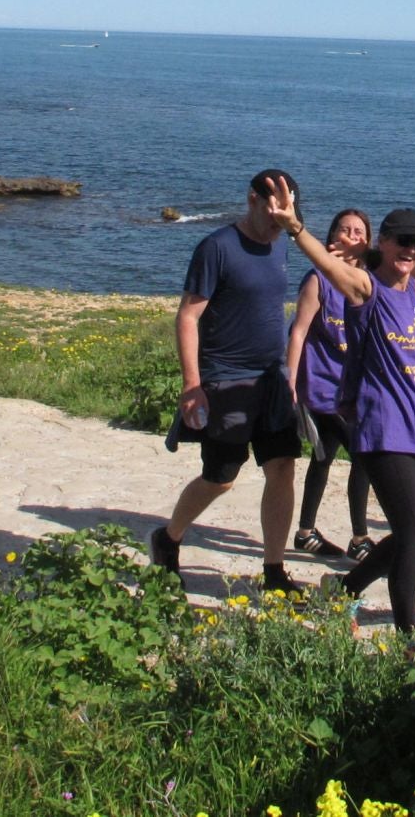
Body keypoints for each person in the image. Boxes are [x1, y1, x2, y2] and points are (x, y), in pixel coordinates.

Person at [276, 199, 415, 632]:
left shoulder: (413, 289)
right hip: (382, 426)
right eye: (404, 241)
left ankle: (342, 591)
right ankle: (408, 636)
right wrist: (295, 227)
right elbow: (326, 263)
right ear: (384, 241)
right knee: (413, 536)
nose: (411, 250)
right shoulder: (365, 288)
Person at [150, 170, 306, 595]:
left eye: (286, 209)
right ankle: (168, 538)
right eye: (272, 207)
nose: (278, 217)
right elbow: (187, 317)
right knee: (221, 477)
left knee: (282, 469)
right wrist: (192, 383)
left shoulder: (280, 246)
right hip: (226, 379)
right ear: (252, 199)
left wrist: (289, 373)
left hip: (272, 382)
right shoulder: (216, 248)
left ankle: (274, 570)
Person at [284, 208, 379, 562]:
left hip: (358, 390)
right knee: (364, 457)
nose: (352, 236)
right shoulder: (317, 280)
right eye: (345, 230)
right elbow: (298, 332)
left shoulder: (370, 281)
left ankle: (305, 532)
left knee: (322, 459)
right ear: (332, 236)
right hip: (324, 390)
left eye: (359, 231)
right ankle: (360, 538)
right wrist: (289, 382)